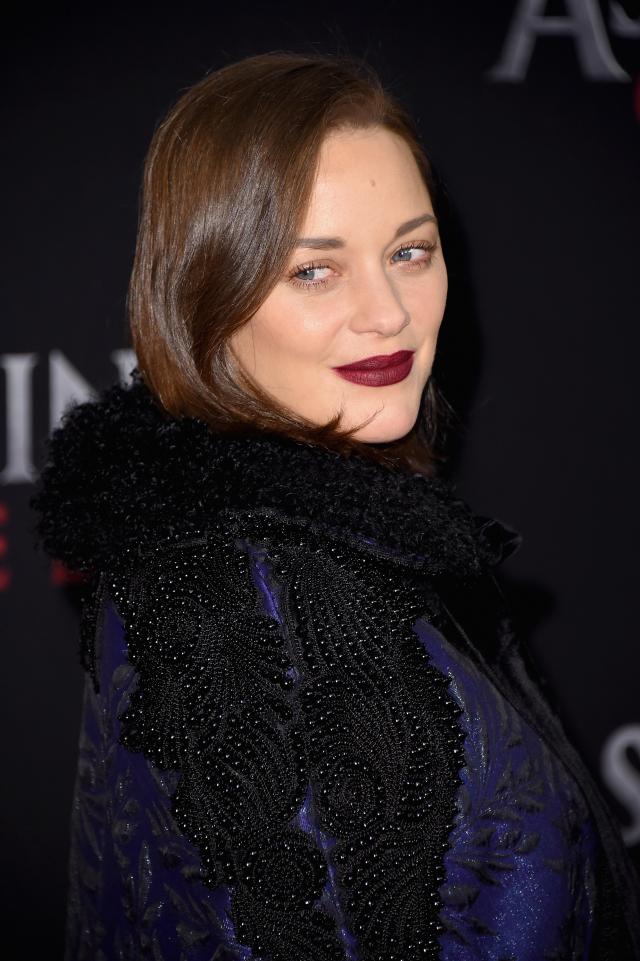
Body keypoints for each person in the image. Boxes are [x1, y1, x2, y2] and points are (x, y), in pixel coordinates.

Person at [30, 51, 640, 961]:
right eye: (315, 270)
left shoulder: (327, 546)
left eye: (410, 251)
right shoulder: (230, 599)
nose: (388, 312)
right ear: (206, 295)